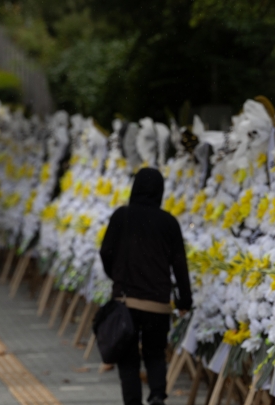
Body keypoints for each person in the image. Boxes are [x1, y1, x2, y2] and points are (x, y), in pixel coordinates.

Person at [100, 167, 192, 405]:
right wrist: (184, 302)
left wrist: (117, 277)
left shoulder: (122, 216)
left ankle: (133, 402)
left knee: (128, 357)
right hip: (158, 303)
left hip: (126, 301)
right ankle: (158, 395)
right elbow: (180, 266)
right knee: (155, 353)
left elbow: (106, 252)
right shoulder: (169, 223)